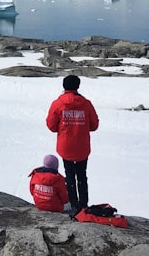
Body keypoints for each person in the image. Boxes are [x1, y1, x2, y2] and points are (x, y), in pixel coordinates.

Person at [46, 74, 99, 212]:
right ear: (78, 86)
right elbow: (94, 125)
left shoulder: (58, 104)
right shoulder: (86, 104)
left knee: (69, 175)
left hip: (66, 146)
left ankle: (73, 204)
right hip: (82, 147)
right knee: (82, 175)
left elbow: (51, 126)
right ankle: (84, 204)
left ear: (64, 86)